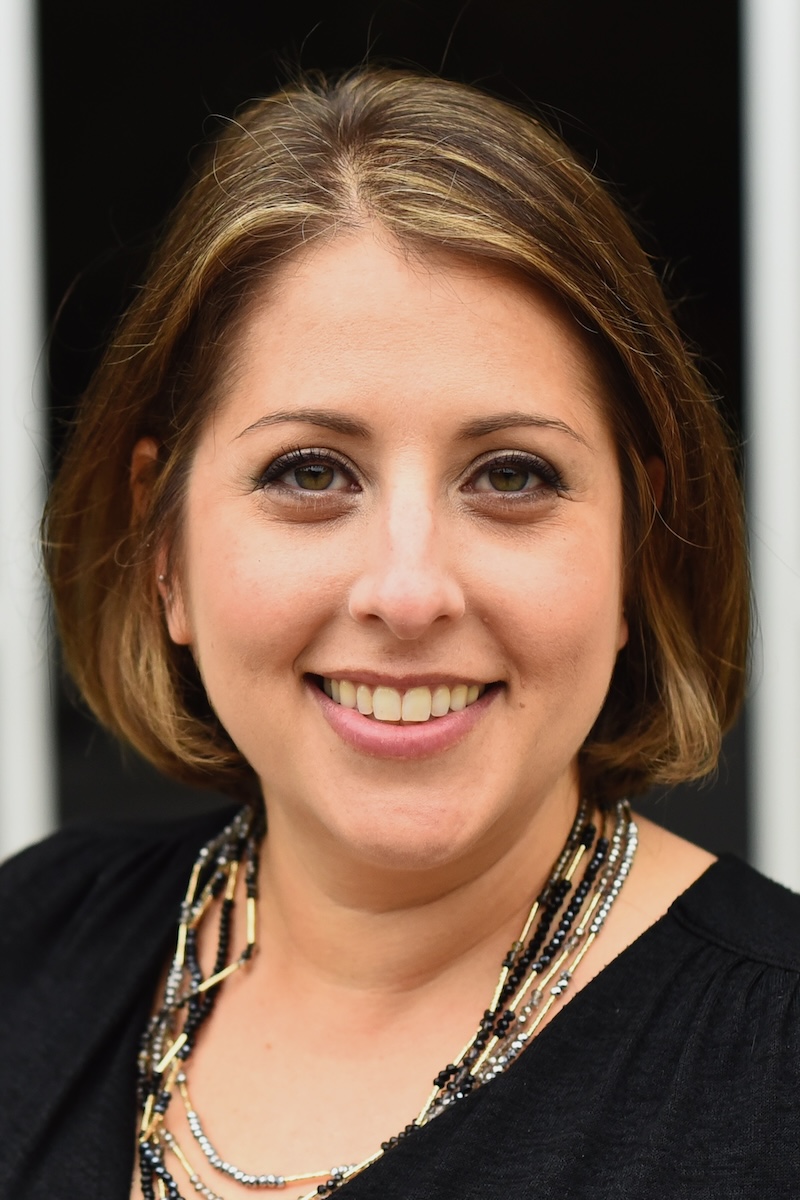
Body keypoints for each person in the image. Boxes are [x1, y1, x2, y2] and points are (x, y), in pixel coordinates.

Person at [1, 67, 798, 1200]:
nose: (409, 591)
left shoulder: (771, 1076)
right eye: (310, 472)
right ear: (163, 547)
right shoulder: (31, 949)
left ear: (637, 547)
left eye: (512, 475)